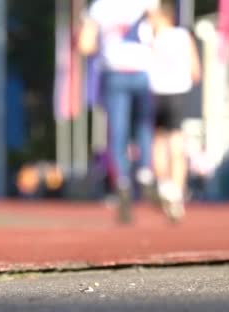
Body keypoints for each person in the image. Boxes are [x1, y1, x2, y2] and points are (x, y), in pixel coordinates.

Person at [79, 0, 158, 223]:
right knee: (144, 126)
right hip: (141, 71)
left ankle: (122, 181)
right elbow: (159, 30)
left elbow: (86, 44)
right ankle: (144, 172)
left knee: (118, 132)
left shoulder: (100, 6)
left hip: (114, 73)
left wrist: (105, 44)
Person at [147, 1, 201, 221]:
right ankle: (177, 192)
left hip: (156, 93)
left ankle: (164, 185)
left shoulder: (151, 38)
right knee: (177, 141)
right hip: (179, 93)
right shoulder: (183, 36)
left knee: (158, 141)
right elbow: (195, 71)